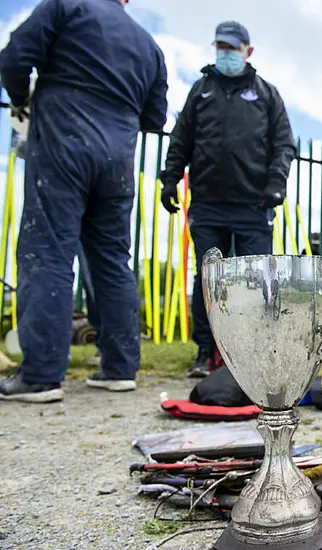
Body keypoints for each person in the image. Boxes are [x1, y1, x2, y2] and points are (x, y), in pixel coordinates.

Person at [0, 0, 168, 403]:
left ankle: (41, 375)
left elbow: (14, 57)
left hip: (63, 140)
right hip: (118, 159)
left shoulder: (66, 5)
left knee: (49, 250)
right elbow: (156, 118)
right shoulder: (148, 45)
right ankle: (119, 367)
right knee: (112, 258)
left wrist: (23, 98)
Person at [161, 21, 295, 378]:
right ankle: (204, 353)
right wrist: (170, 178)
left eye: (233, 48)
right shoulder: (201, 90)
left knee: (256, 280)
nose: (226, 53)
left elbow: (284, 145)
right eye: (221, 46)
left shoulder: (266, 94)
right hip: (207, 202)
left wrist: (275, 184)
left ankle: (254, 351)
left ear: (248, 52)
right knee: (207, 278)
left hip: (254, 205)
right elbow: (181, 138)